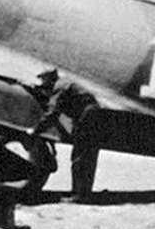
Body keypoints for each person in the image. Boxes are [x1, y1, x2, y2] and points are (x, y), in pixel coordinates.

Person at [27, 69, 101, 201]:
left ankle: (79, 195)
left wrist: (36, 130)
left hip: (87, 115)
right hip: (93, 114)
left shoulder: (60, 87)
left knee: (80, 156)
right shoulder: (66, 82)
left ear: (49, 78)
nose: (42, 82)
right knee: (87, 156)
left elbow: (52, 113)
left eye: (43, 79)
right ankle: (83, 193)